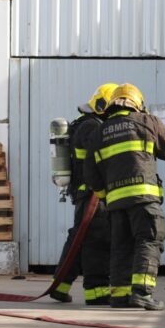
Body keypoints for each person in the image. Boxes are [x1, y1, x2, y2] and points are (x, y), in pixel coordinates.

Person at [87, 83, 165, 311]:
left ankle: (119, 295)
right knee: (149, 240)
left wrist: (105, 196)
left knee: (121, 247)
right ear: (138, 104)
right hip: (144, 198)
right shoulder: (148, 121)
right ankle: (142, 293)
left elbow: (91, 174)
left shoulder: (99, 131)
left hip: (116, 204)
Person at [50, 83, 117, 305]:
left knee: (79, 239)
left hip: (86, 193)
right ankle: (96, 292)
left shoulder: (86, 124)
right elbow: (99, 161)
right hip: (92, 195)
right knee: (97, 240)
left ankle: (60, 285)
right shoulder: (92, 127)